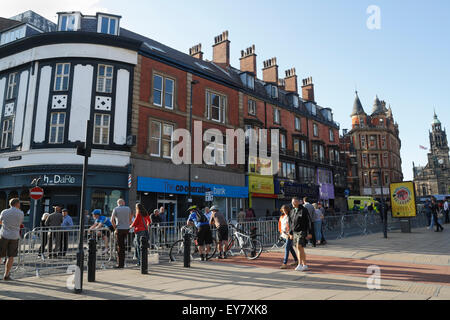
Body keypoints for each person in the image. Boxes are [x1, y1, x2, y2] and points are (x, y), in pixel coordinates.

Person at [0, 198, 24, 280]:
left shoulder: (4, 212)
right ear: (17, 204)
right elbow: (20, 223)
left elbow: (0, 221)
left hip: (4, 235)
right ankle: (6, 275)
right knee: (11, 256)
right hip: (14, 236)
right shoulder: (21, 213)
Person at [289, 197, 312, 272]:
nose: (293, 203)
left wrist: (310, 232)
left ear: (299, 202)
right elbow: (291, 223)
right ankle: (305, 264)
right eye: (292, 202)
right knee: (300, 248)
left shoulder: (303, 210)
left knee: (299, 246)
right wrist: (290, 233)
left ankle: (299, 264)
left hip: (302, 231)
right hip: (295, 231)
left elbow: (309, 221)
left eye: (295, 202)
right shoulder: (292, 211)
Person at [111, 199, 132, 269]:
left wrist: (115, 228)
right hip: (127, 229)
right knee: (124, 246)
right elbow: (130, 217)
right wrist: (128, 224)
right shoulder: (128, 208)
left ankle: (120, 264)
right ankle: (123, 262)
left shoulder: (116, 209)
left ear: (118, 203)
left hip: (119, 229)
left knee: (120, 247)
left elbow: (112, 220)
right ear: (123, 203)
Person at [279, 205, 298, 269]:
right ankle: (296, 260)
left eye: (285, 210)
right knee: (290, 248)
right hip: (284, 234)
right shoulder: (282, 216)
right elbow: (280, 224)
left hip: (289, 234)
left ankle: (285, 263)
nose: (284, 211)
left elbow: (292, 225)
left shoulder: (290, 216)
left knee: (287, 248)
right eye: (283, 210)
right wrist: (281, 232)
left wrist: (291, 234)